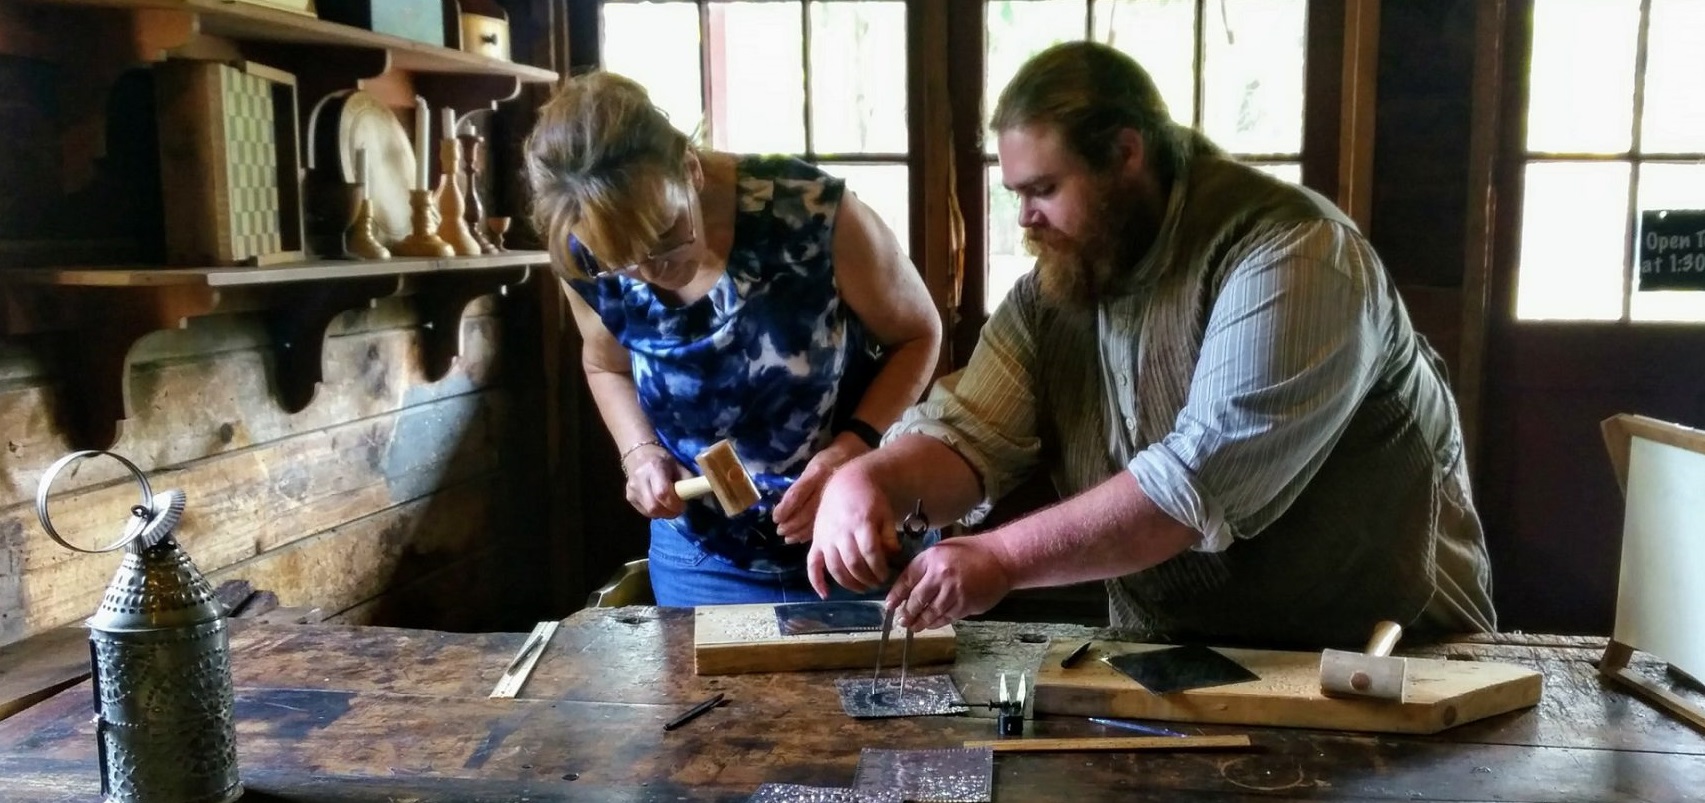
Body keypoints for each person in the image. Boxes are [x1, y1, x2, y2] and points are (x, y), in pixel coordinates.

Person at [806, 41, 1497, 649]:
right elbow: (970, 437)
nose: (1026, 218)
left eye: (1044, 188)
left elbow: (1190, 483)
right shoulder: (1058, 287)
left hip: (1385, 657)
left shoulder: (1293, 253)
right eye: (1016, 193)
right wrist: (874, 478)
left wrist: (999, 559)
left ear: (1125, 154)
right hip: (1183, 657)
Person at [525, 71, 941, 606]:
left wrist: (851, 448)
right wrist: (639, 453)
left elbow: (918, 335)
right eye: (627, 265)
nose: (653, 274)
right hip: (701, 558)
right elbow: (606, 365)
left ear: (690, 168)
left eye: (665, 238)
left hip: (856, 536)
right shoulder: (585, 249)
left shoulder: (808, 213)